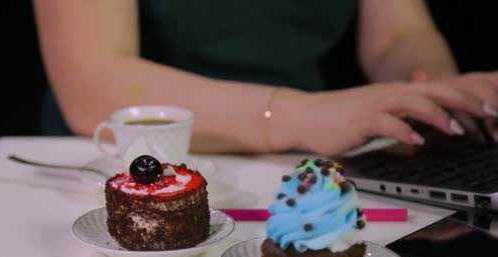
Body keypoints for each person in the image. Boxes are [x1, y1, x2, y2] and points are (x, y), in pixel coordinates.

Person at [33, 0, 498, 155]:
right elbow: (90, 83)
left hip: (302, 161)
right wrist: (301, 115)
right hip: (122, 164)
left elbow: (400, 32)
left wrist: (437, 95)